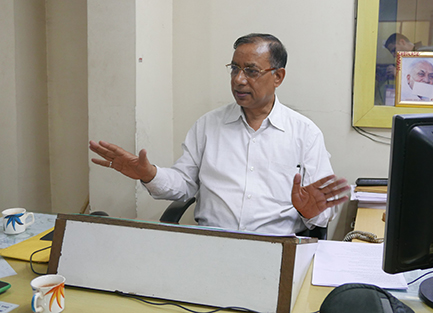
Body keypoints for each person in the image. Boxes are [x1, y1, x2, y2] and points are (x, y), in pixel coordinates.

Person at [90, 33, 350, 235]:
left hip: (277, 246)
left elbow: (322, 209)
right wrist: (149, 175)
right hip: (212, 243)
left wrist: (311, 212)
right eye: (234, 68)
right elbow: (184, 185)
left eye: (251, 71)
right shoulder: (208, 125)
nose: (238, 79)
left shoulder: (305, 134)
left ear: (278, 76)